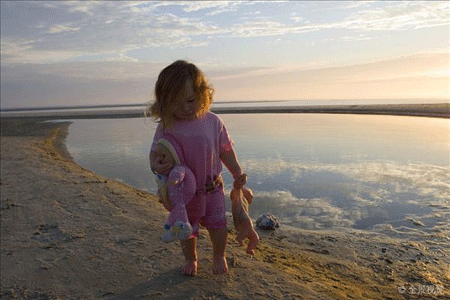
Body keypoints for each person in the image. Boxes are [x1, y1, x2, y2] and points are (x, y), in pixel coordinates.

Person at [149, 60, 247, 276]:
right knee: (186, 228)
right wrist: (156, 165)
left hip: (213, 188)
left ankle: (218, 255)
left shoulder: (212, 122)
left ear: (203, 95)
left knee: (218, 224)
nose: (185, 108)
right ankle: (191, 259)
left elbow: (226, 151)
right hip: (183, 192)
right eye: (176, 103)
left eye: (191, 100)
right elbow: (155, 154)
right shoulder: (166, 126)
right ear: (164, 102)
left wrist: (237, 171)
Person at [153, 137, 196, 243]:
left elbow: (180, 174)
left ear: (174, 154)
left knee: (179, 207)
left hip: (182, 195)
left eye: (163, 155)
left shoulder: (178, 168)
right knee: (176, 209)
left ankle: (184, 226)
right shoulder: (171, 170)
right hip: (176, 198)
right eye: (159, 156)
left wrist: (177, 180)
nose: (161, 159)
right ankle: (171, 223)